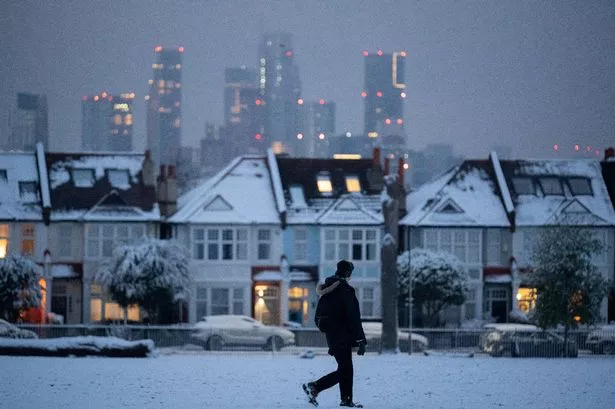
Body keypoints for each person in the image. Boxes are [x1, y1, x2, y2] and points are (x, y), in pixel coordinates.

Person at [303, 260, 366, 408]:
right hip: (343, 336)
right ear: (347, 272)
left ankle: (346, 399)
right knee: (345, 369)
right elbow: (353, 317)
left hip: (332, 336)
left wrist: (330, 328)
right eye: (350, 272)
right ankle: (315, 387)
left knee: (345, 369)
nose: (351, 274)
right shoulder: (346, 290)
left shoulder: (327, 290)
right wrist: (361, 340)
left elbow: (318, 316)